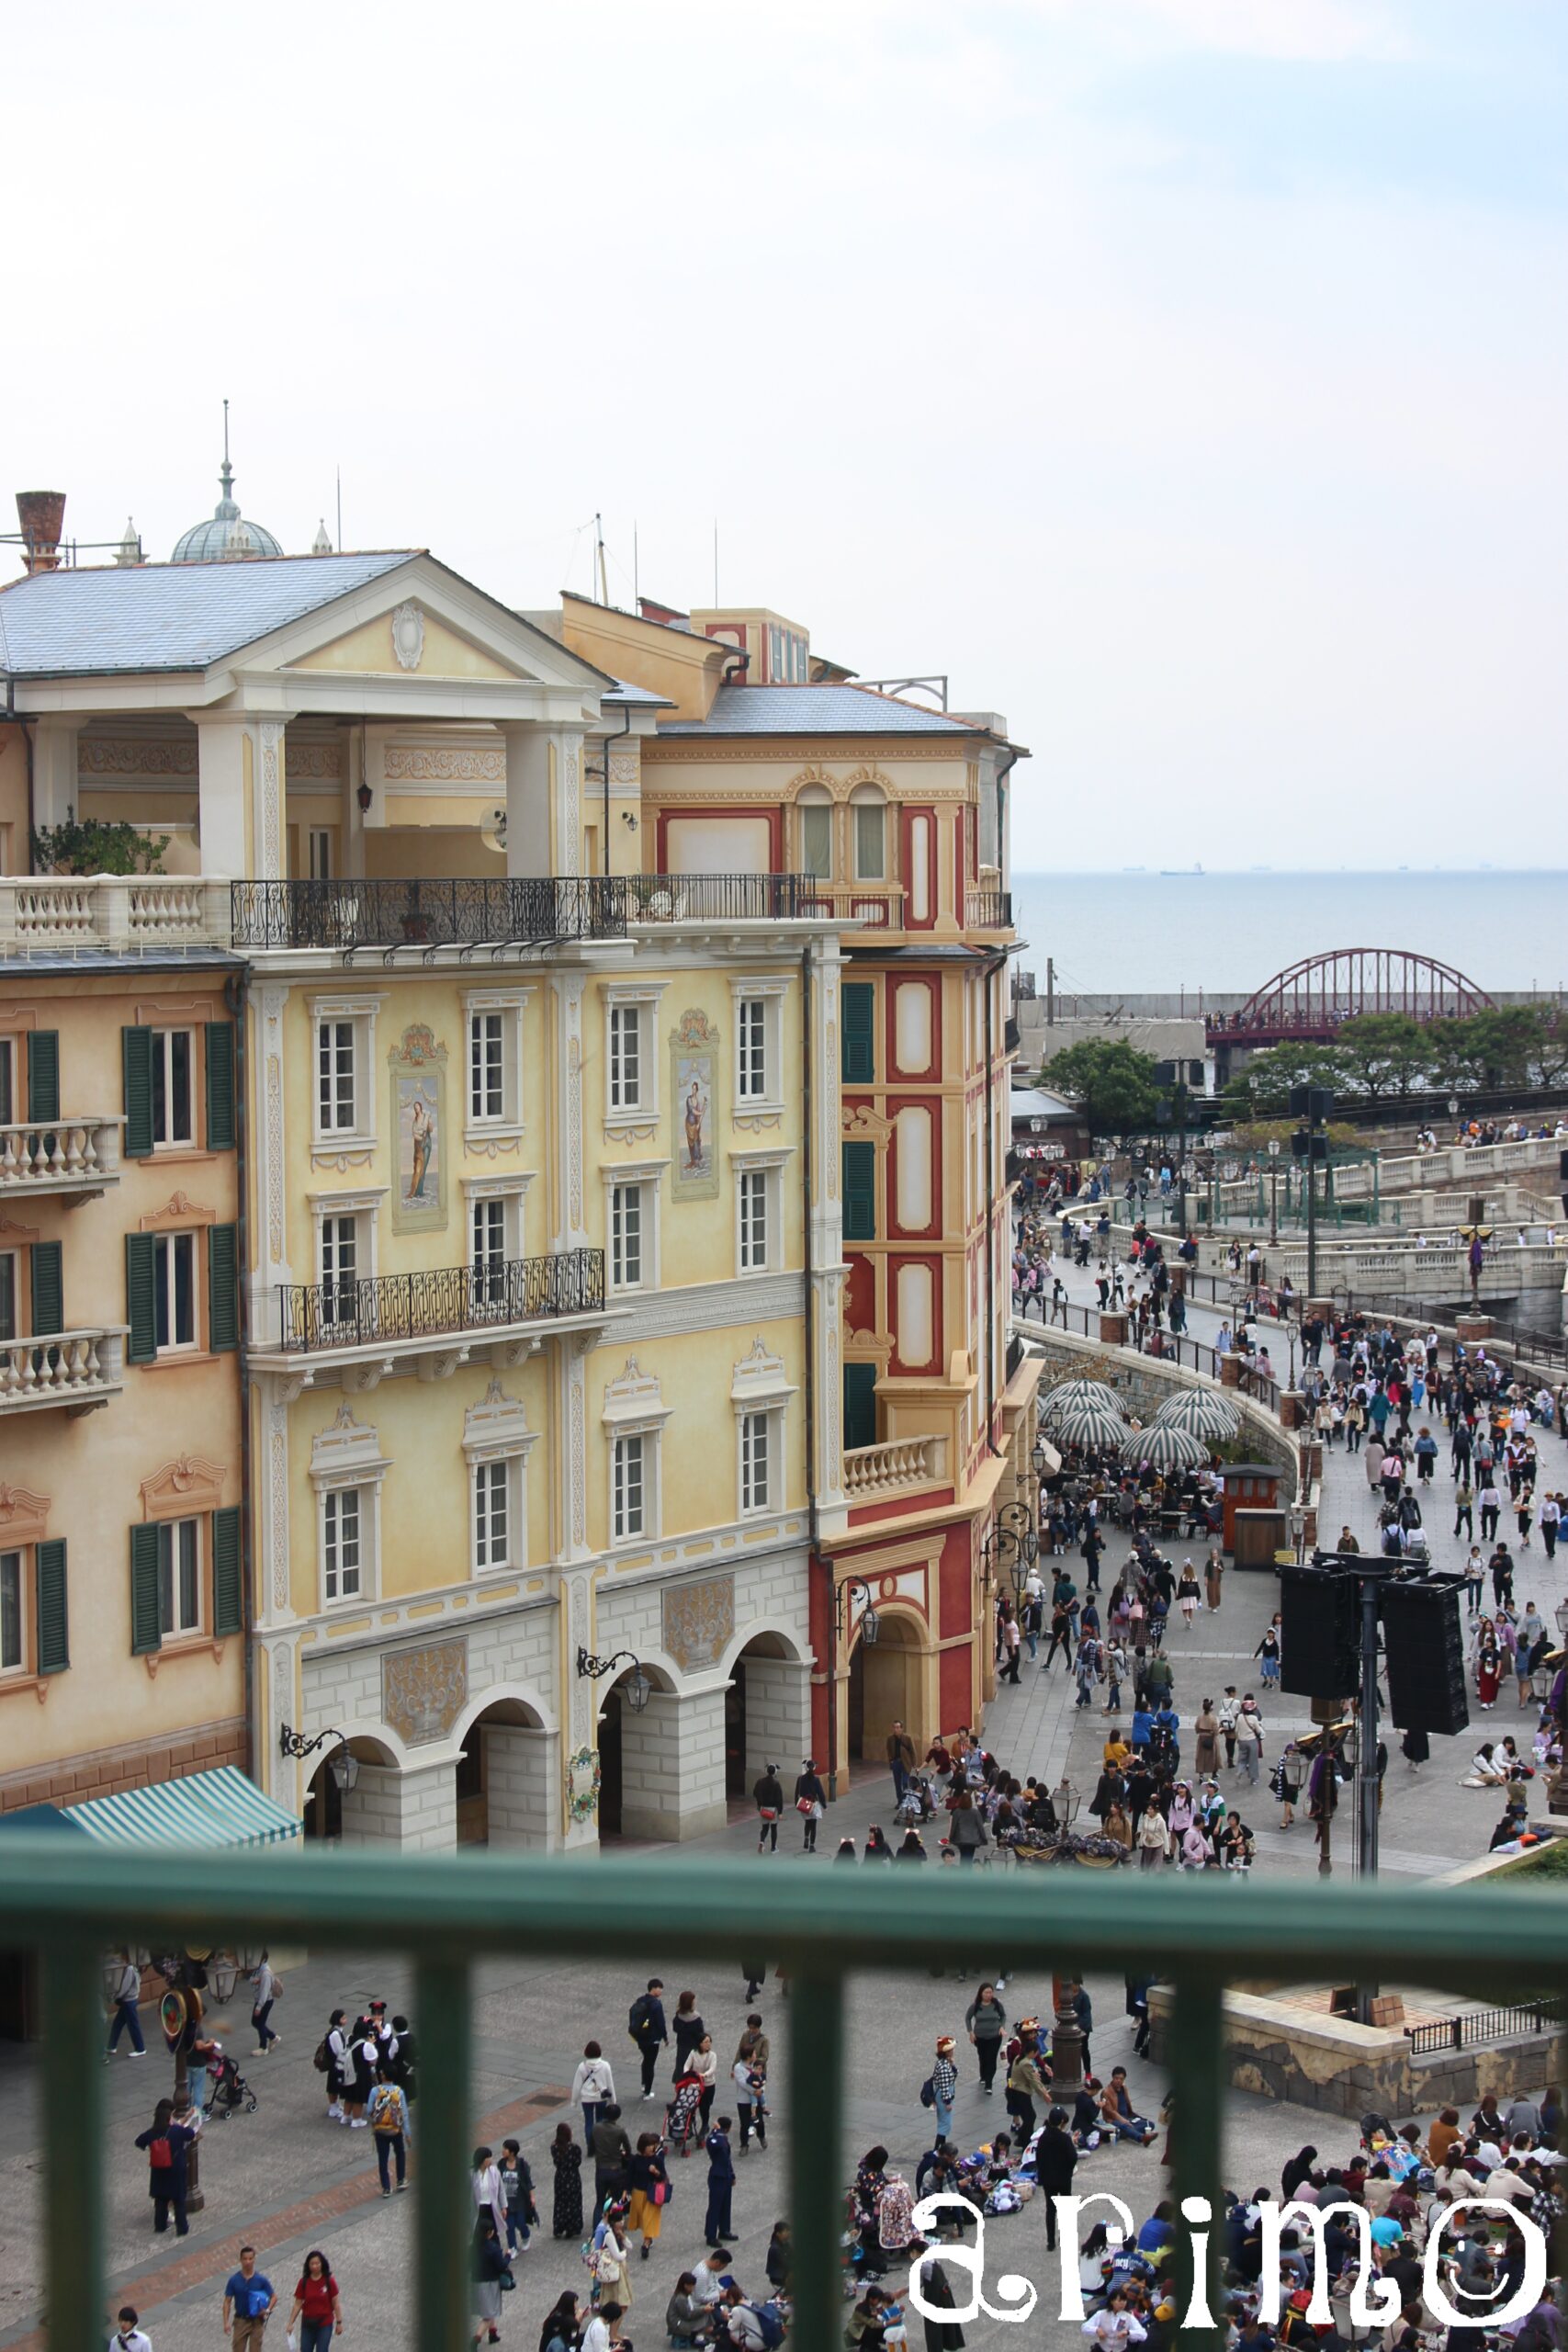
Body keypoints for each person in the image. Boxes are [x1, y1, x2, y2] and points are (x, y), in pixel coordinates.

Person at [135, 2096, 201, 2237]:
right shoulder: (176, 2131)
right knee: (179, 2200)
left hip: (159, 2170)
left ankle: (160, 2226)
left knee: (161, 2199)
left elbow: (139, 2142)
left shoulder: (152, 2133)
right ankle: (182, 2228)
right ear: (169, 2117)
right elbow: (190, 2134)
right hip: (176, 2169)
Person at [367, 2064, 411, 2195]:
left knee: (383, 2158)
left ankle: (386, 2187)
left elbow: (369, 2110)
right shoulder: (399, 2092)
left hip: (380, 2130)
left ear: (383, 2075)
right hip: (396, 2130)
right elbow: (404, 2113)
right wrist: (408, 2133)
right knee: (400, 2153)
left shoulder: (375, 2091)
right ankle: (401, 2179)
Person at [223, 2248, 277, 2352]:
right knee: (238, 2348)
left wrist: (267, 2310)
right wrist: (226, 2322)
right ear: (241, 2260)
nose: (248, 2262)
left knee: (256, 2349)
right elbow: (227, 2301)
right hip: (240, 2320)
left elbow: (274, 2297)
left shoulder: (261, 2280)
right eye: (245, 2259)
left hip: (256, 2322)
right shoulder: (234, 2280)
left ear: (254, 2260)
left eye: (250, 2259)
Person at [627, 2131, 670, 2260]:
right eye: (650, 2145)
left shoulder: (656, 2160)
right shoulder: (635, 2159)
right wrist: (627, 2191)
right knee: (642, 2218)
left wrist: (656, 2172)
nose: (652, 2148)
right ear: (642, 2146)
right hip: (638, 2192)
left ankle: (646, 2244)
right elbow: (629, 2176)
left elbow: (664, 2176)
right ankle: (648, 2239)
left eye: (653, 2145)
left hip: (652, 2192)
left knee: (648, 2218)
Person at [288, 2253, 343, 2352]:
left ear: (322, 2264)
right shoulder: (303, 2282)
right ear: (308, 2266)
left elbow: (336, 2303)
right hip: (308, 2323)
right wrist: (290, 2322)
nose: (315, 2266)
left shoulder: (329, 2281)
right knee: (305, 2349)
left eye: (317, 2263)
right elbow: (298, 2304)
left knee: (322, 2349)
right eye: (312, 2264)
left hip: (324, 2323)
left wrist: (339, 2322)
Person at [470, 2214, 509, 2350]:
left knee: (489, 2308)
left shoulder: (473, 2247)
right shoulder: (493, 2248)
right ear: (489, 2233)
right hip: (490, 2283)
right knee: (489, 2314)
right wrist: (508, 2256)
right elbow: (502, 2265)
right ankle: (476, 2339)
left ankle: (493, 2333)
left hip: (476, 2282)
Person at [964, 1982, 1007, 2092]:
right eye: (986, 1992)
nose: (989, 1995)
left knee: (991, 2059)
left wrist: (1002, 2027)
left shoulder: (996, 2004)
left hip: (995, 2036)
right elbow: (968, 2018)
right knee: (983, 2057)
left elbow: (1003, 2015)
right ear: (981, 1993)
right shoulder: (976, 2006)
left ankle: (989, 2084)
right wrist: (971, 2032)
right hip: (980, 2037)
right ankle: (983, 2076)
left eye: (990, 1992)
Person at [628, 1978, 668, 2098]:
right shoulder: (656, 2004)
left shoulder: (640, 2001)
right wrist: (665, 2037)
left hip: (640, 2037)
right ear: (654, 1988)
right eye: (660, 1988)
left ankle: (644, 2084)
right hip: (652, 2038)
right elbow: (661, 2023)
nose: (661, 1991)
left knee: (646, 2061)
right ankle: (647, 2091)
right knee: (650, 2063)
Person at [572, 2041, 615, 2146]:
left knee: (589, 2122)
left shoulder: (582, 2067)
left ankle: (590, 2146)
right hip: (601, 2097)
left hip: (586, 2098)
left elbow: (577, 2085)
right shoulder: (605, 2066)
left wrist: (574, 2101)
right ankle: (600, 2144)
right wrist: (613, 2099)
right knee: (600, 2120)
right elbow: (610, 2084)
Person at [704, 2114, 738, 2246]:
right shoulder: (719, 2140)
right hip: (719, 2176)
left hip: (724, 2175)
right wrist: (717, 2131)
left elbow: (727, 2160)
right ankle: (710, 2236)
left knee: (725, 2205)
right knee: (715, 2207)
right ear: (727, 2128)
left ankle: (724, 2230)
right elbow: (722, 2151)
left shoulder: (715, 2136)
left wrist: (732, 2175)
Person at [106, 1952, 147, 2058]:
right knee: (118, 2023)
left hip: (128, 2000)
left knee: (133, 2025)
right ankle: (111, 2046)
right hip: (130, 1999)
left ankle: (140, 2048)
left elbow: (124, 1987)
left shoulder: (129, 1969)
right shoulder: (134, 1967)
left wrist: (116, 1996)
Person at [550, 2122, 584, 2240]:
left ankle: (559, 2226)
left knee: (560, 2202)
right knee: (573, 2202)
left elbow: (556, 2162)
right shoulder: (574, 2148)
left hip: (560, 2177)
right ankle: (572, 2227)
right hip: (573, 2177)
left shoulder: (554, 2147)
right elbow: (578, 2162)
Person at [794, 1758, 827, 1853]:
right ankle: (812, 1846)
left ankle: (806, 1838)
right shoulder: (816, 1779)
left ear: (805, 1768)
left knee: (807, 1823)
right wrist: (824, 1805)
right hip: (814, 1805)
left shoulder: (800, 1778)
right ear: (814, 1768)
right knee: (814, 1825)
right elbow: (820, 1793)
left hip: (804, 1804)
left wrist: (796, 1803)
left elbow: (797, 1792)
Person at [251, 1951, 281, 2054]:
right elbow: (250, 1979)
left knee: (259, 2023)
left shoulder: (265, 1973)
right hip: (260, 2000)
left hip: (265, 2001)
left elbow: (264, 1992)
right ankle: (273, 2037)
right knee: (256, 2022)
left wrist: (259, 2007)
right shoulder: (259, 1970)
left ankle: (263, 2048)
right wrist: (254, 1980)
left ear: (263, 1959)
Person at [752, 1763, 784, 1854]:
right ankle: (773, 1848)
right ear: (775, 1772)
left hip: (763, 1808)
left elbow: (755, 1793)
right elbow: (779, 1799)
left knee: (764, 1828)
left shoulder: (760, 1781)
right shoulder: (776, 1783)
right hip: (773, 1809)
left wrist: (759, 1804)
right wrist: (780, 1812)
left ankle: (762, 1841)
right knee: (774, 1828)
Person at [887, 1720, 917, 1802]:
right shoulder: (890, 1739)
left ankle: (906, 1800)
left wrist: (914, 1763)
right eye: (894, 1727)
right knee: (897, 1783)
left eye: (897, 1727)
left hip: (906, 1763)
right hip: (896, 1762)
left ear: (901, 1729)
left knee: (905, 1782)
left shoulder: (907, 1738)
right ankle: (900, 1801)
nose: (895, 1730)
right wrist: (891, 1761)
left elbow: (912, 1751)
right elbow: (889, 1750)